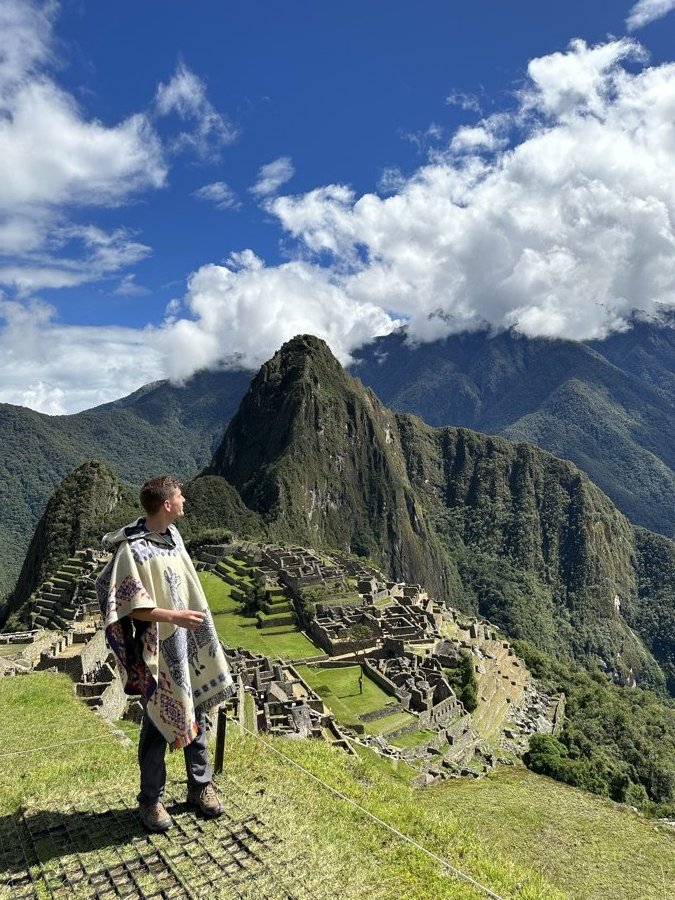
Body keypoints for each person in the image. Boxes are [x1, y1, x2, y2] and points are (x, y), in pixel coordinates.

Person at [96, 474, 234, 833]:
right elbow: (130, 606)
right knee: (159, 722)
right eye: (180, 495)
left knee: (198, 707)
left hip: (185, 642)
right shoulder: (133, 549)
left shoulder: (173, 537)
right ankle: (150, 801)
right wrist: (175, 616)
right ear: (167, 504)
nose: (185, 499)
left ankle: (199, 786)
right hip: (155, 647)